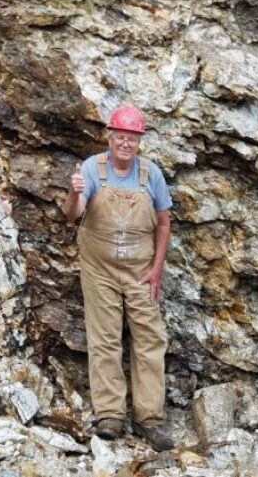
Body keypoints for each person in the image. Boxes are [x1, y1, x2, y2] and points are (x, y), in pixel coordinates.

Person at [62, 104, 174, 450]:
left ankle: (149, 418)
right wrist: (75, 191)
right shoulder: (92, 170)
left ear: (139, 141)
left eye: (132, 138)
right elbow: (72, 215)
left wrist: (156, 270)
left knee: (149, 339)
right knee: (105, 339)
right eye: (120, 137)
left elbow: (164, 223)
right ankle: (110, 415)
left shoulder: (150, 174)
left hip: (141, 271)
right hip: (100, 271)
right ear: (110, 136)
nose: (126, 144)